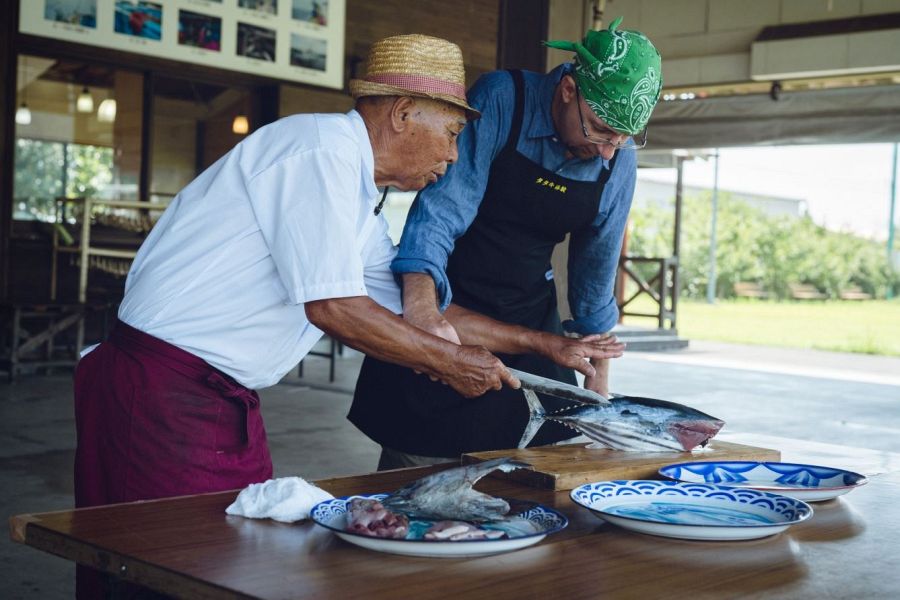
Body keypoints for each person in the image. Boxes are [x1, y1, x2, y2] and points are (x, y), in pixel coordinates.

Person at [73, 33, 623, 597]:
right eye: (453, 134)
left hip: (220, 400)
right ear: (404, 113)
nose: (455, 156)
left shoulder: (356, 201)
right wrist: (449, 361)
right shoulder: (318, 151)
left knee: (232, 564)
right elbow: (335, 307)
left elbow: (414, 309)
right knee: (158, 568)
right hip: (161, 392)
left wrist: (542, 344)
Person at [349, 18, 662, 469]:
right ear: (569, 90)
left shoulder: (616, 160)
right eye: (598, 128)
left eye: (623, 138)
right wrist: (421, 315)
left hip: (531, 316)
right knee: (415, 483)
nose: (608, 150)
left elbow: (595, 279)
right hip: (449, 302)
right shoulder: (503, 99)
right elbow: (439, 214)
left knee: (532, 484)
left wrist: (599, 383)